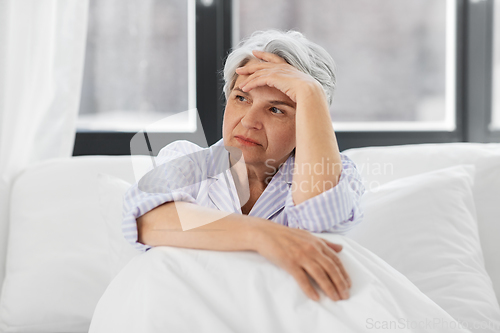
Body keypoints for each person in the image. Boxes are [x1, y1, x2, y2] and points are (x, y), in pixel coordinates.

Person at [122, 30, 365, 303]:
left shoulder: (340, 173)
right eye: (241, 98)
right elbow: (147, 221)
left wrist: (310, 91)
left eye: (276, 109)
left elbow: (321, 221)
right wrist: (261, 235)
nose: (249, 121)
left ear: (307, 120)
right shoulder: (188, 160)